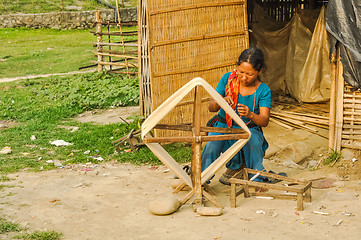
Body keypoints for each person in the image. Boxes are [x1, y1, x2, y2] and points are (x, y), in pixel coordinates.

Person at [201, 47, 271, 190]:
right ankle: (201, 179)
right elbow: (211, 107)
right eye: (241, 72)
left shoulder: (263, 90)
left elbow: (264, 121)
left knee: (253, 142)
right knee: (212, 145)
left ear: (260, 71)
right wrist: (220, 102)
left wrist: (251, 115)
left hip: (248, 128)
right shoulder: (227, 79)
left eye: (250, 74)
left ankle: (256, 178)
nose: (244, 77)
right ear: (237, 67)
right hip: (223, 125)